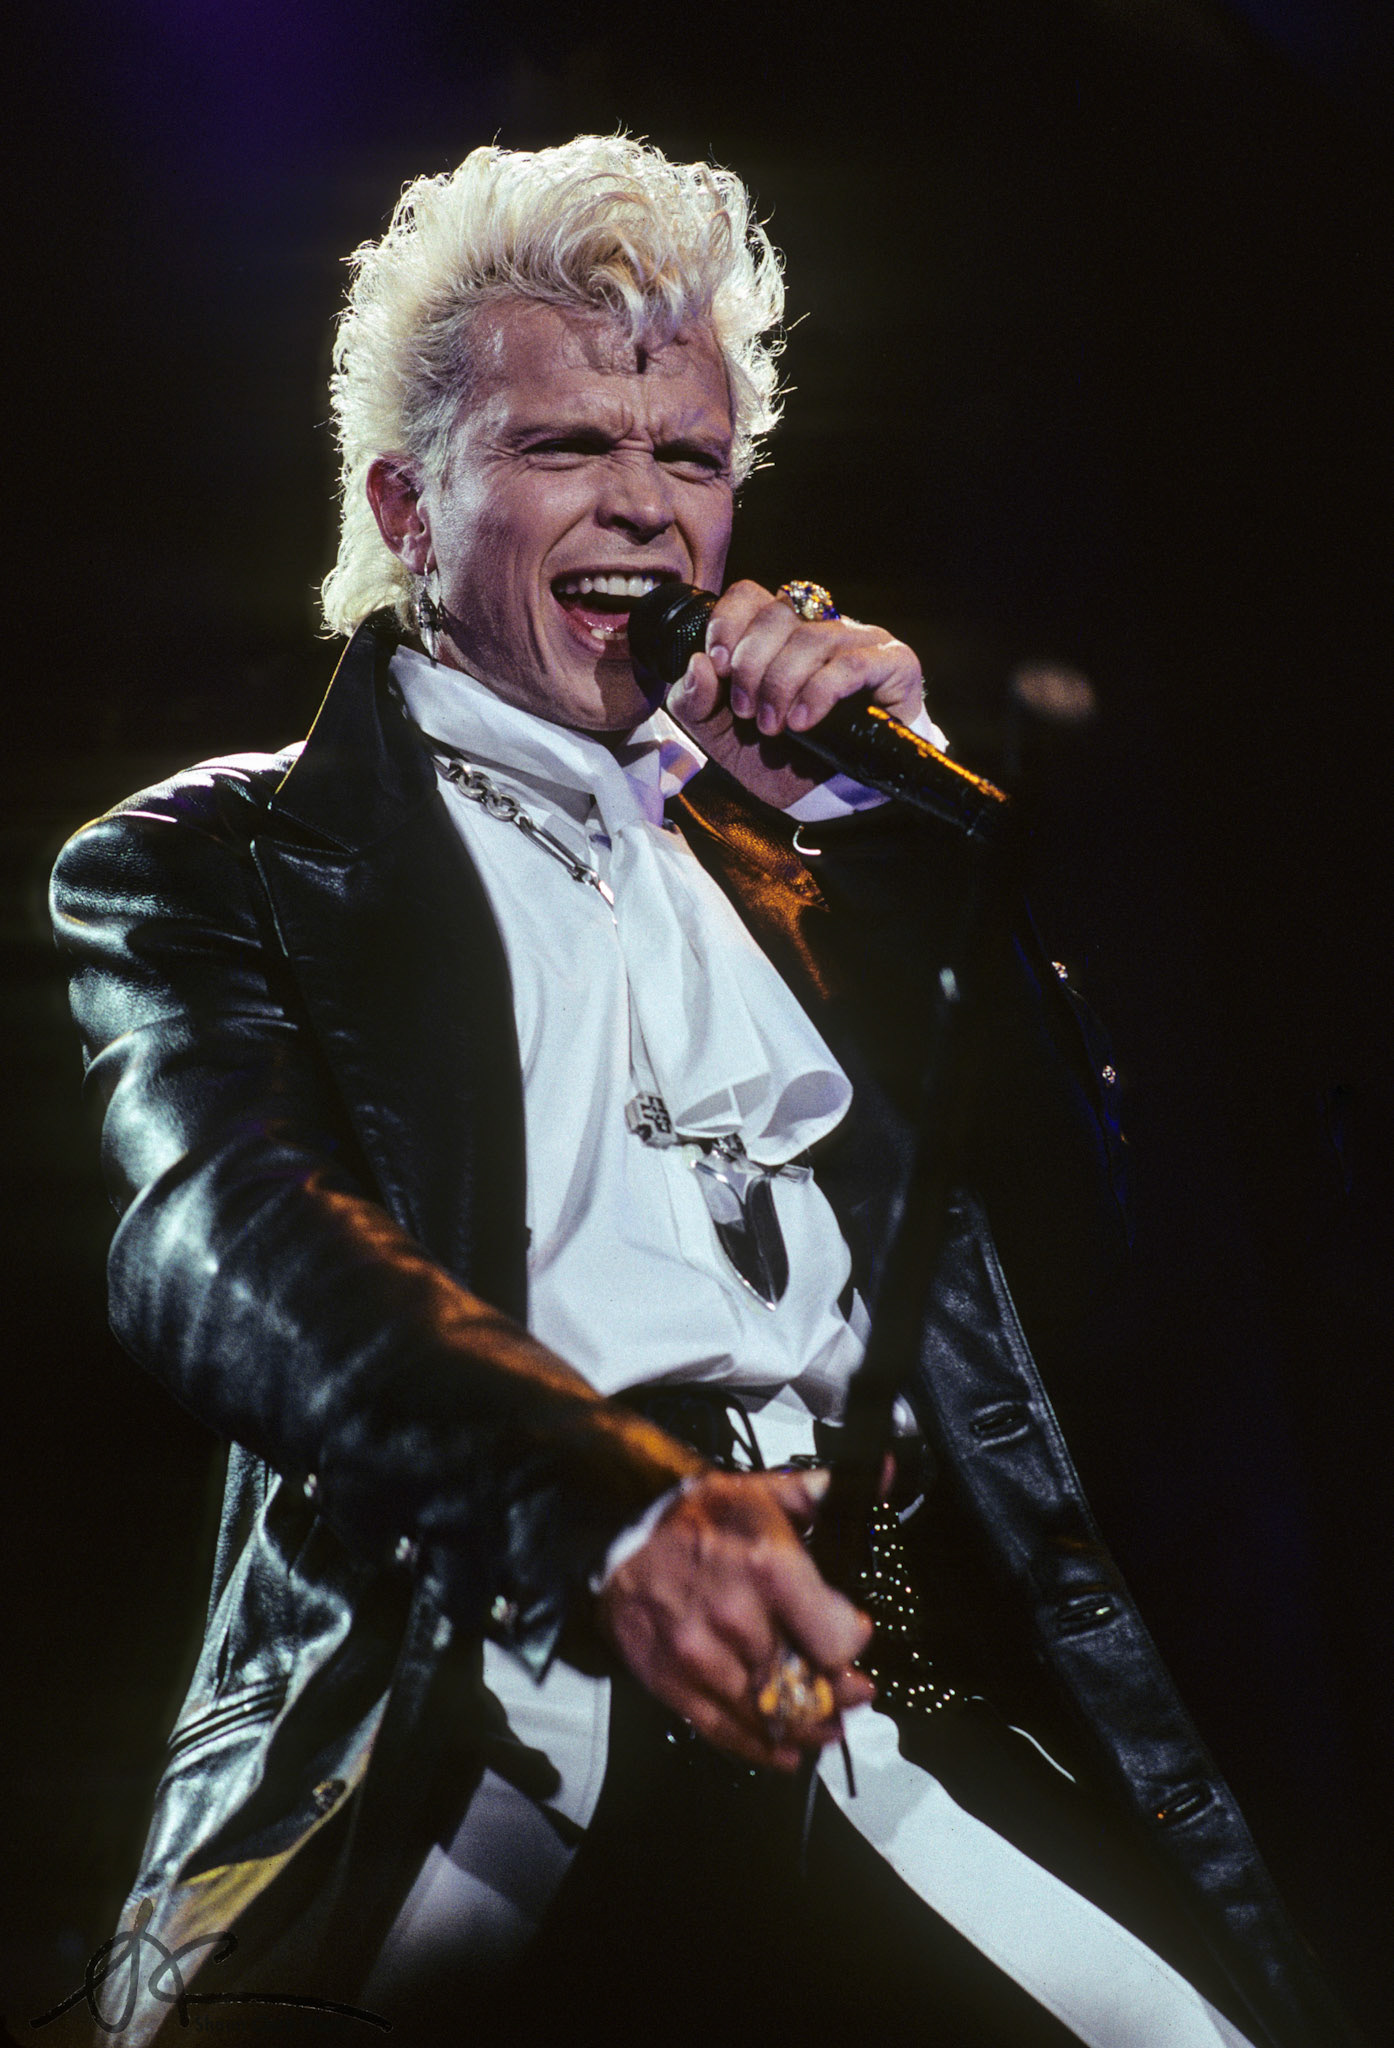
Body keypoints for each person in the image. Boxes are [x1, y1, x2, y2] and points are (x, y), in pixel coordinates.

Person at [52, 137, 1354, 2048]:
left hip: (849, 1680)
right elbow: (222, 1245)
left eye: (690, 457)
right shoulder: (227, 859)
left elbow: (1087, 1280)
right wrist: (611, 1512)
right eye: (569, 446)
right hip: (466, 1665)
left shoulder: (790, 857)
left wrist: (882, 843)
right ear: (407, 505)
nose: (646, 510)